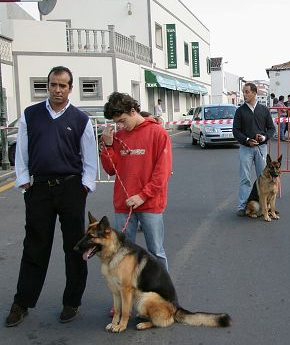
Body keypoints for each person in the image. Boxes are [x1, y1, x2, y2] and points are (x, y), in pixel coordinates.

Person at [6, 66, 98, 327]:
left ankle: (72, 302)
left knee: (75, 247)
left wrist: (85, 186)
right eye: (53, 85)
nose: (57, 90)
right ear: (48, 86)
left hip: (71, 189)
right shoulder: (30, 115)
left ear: (71, 88)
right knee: (35, 245)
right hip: (40, 190)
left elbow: (90, 158)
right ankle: (21, 303)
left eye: (63, 85)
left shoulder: (81, 119)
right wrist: (23, 180)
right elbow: (22, 150)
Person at [100, 92, 172, 271]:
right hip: (123, 204)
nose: (119, 126)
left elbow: (162, 172)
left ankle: (163, 294)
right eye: (116, 122)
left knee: (155, 252)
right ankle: (128, 293)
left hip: (150, 203)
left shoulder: (158, 133)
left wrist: (143, 195)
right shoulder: (119, 137)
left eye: (122, 120)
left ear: (133, 111)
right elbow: (110, 169)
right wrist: (108, 146)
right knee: (122, 254)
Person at [233, 82, 276, 217]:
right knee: (244, 177)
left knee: (263, 177)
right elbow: (236, 130)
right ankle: (243, 206)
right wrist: (246, 140)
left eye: (247, 92)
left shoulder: (264, 110)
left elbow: (271, 129)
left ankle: (266, 207)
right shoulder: (240, 111)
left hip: (261, 148)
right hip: (246, 149)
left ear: (254, 93)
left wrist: (263, 138)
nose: (244, 94)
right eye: (243, 92)